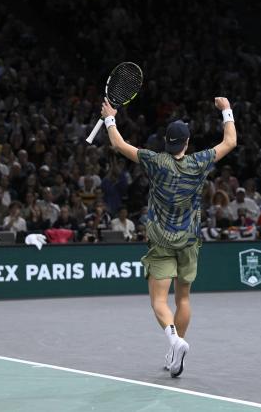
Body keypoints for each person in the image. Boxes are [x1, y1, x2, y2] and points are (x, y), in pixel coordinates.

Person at [100, 96, 236, 378]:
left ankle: (174, 341)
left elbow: (119, 145)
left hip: (161, 242)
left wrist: (110, 117)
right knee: (183, 299)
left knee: (159, 301)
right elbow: (230, 142)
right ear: (186, 143)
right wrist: (226, 111)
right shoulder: (199, 162)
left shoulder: (156, 162)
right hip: (188, 242)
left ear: (166, 141)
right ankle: (176, 351)